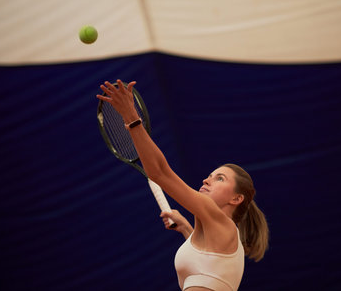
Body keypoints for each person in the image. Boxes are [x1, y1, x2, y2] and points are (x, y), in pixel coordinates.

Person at [97, 80, 269, 291]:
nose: (207, 180)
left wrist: (131, 117)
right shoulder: (218, 235)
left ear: (236, 198)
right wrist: (186, 228)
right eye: (211, 175)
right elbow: (207, 265)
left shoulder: (222, 224)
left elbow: (159, 172)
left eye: (220, 178)